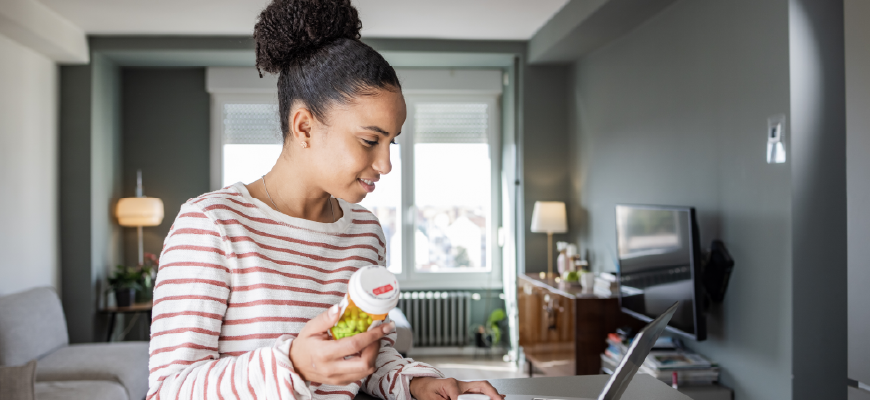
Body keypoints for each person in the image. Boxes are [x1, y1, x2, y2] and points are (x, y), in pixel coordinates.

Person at [146, 0, 505, 399]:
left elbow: (365, 354)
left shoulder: (365, 232)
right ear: (304, 127)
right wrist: (294, 365)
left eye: (392, 142)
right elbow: (169, 389)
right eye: (370, 140)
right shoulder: (212, 225)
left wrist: (415, 382)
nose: (386, 164)